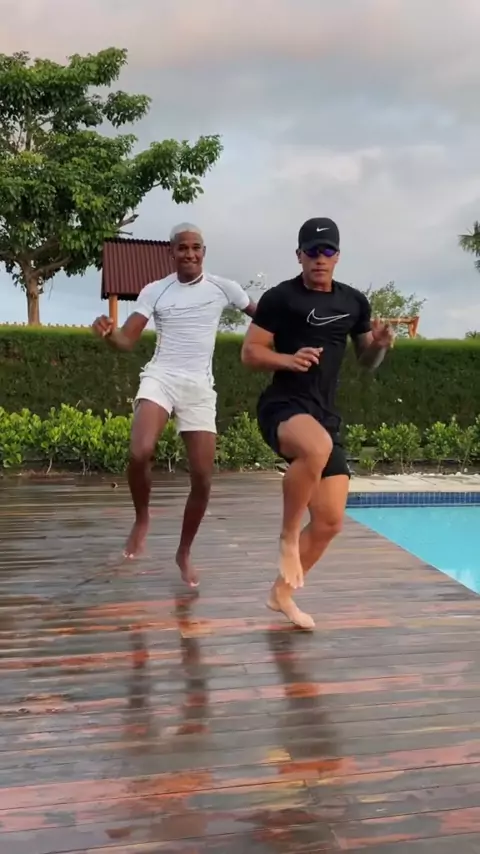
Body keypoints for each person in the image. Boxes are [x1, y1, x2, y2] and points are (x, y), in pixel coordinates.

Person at [241, 217, 394, 629]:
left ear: (338, 256)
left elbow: (366, 360)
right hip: (283, 405)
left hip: (324, 414)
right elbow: (250, 353)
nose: (319, 258)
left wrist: (379, 346)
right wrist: (287, 359)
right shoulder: (280, 298)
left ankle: (281, 594)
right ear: (299, 255)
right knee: (316, 447)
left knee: (329, 521)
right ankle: (288, 536)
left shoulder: (354, 302)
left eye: (327, 251)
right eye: (311, 251)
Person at [92, 223, 255, 586]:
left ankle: (184, 552)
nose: (190, 254)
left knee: (202, 477)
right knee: (140, 451)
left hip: (199, 387)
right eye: (182, 248)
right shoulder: (155, 290)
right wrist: (109, 334)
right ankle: (142, 518)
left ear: (204, 252)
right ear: (171, 252)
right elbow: (127, 340)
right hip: (161, 377)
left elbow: (266, 320)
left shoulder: (225, 288)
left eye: (196, 247)